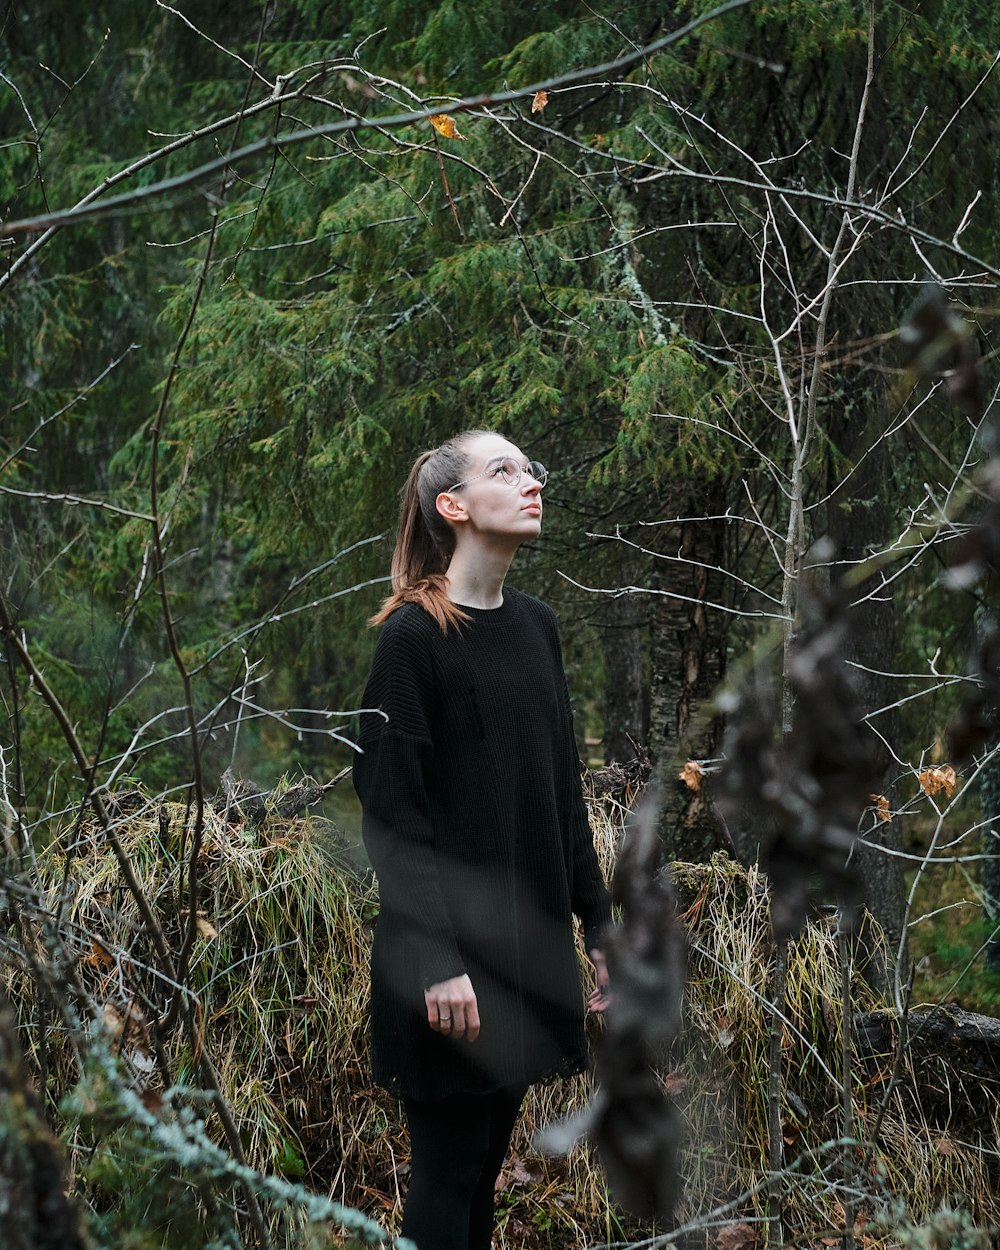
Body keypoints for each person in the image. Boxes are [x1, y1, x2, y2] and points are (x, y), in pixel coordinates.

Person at [352, 429, 612, 1250]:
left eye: (531, 466)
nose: (531, 480)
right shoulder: (411, 642)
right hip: (449, 967)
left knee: (484, 1170)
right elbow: (392, 817)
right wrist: (438, 962)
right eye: (505, 469)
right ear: (452, 506)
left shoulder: (536, 628)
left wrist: (597, 927)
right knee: (449, 1172)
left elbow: (559, 794)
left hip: (522, 951)